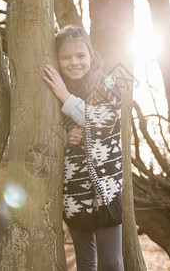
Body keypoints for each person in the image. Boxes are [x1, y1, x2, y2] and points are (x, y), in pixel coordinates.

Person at [43, 25, 124, 271]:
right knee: (85, 263)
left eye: (80, 56)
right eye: (66, 57)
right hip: (74, 190)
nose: (74, 62)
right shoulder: (49, 90)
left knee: (111, 261)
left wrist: (65, 97)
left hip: (105, 188)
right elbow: (46, 135)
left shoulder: (106, 84)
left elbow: (106, 120)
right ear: (57, 59)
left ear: (91, 56)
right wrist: (67, 137)